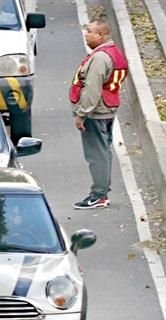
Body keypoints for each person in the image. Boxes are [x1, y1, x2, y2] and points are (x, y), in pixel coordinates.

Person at [69, 20, 129, 210]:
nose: (86, 35)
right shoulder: (114, 53)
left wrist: (82, 114)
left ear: (101, 35)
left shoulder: (100, 58)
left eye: (90, 32)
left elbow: (92, 89)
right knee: (103, 151)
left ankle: (99, 195)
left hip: (96, 112)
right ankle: (101, 193)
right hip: (107, 108)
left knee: (97, 154)